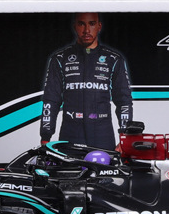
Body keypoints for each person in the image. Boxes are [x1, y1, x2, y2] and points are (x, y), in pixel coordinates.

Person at [40, 12, 134, 149]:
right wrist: (45, 136)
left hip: (102, 135)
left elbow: (124, 100)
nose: (86, 30)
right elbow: (51, 99)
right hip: (70, 134)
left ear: (99, 26)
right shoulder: (60, 59)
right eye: (81, 24)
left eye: (92, 24)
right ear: (75, 26)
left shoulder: (113, 59)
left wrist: (125, 135)